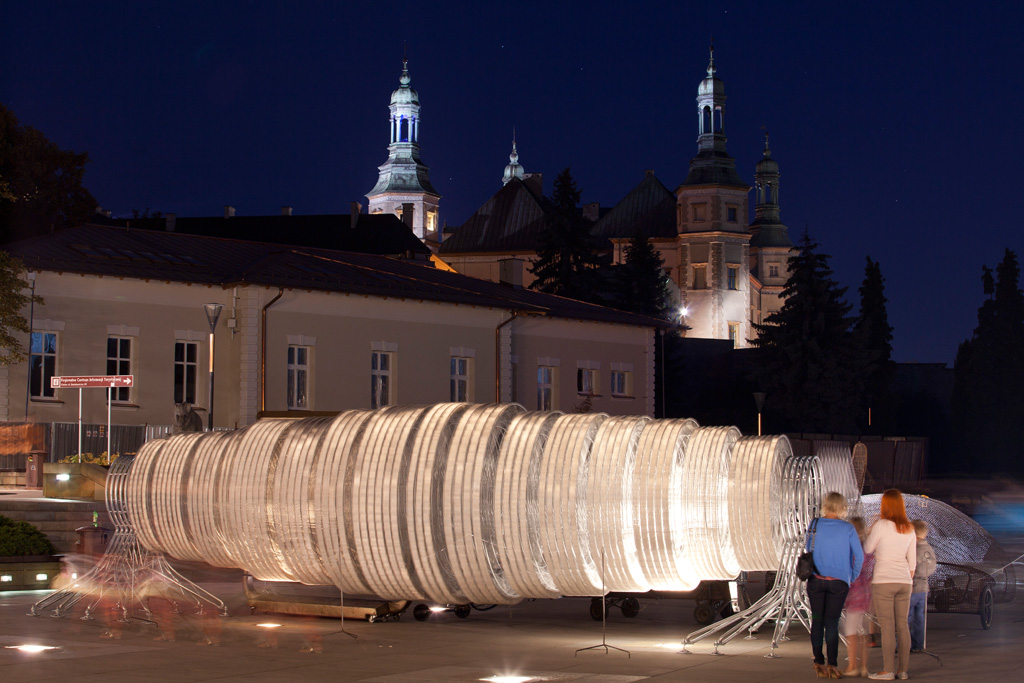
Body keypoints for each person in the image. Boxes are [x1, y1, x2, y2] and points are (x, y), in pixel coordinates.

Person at [806, 491, 864, 679]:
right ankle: (833, 664)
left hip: (816, 580)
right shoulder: (848, 528)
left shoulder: (814, 524)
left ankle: (818, 661)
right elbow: (859, 556)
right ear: (841, 507)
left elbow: (808, 549)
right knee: (832, 622)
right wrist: (851, 576)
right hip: (838, 583)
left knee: (817, 621)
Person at [864, 489, 916, 681]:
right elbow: (912, 563)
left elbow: (868, 549)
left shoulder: (881, 525)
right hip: (904, 581)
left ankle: (888, 670)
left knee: (887, 626)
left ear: (884, 505)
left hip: (884, 580)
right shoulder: (909, 528)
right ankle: (903, 670)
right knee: (903, 625)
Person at [841, 516, 875, 677]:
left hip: (854, 594)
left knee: (851, 631)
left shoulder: (852, 551)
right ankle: (864, 666)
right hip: (864, 593)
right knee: (862, 632)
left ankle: (852, 665)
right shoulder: (866, 550)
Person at [908, 519, 936, 652]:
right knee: (920, 617)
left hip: (913, 587)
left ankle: (903, 644)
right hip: (924, 588)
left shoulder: (913, 549)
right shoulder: (929, 549)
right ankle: (918, 644)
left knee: (906, 617)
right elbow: (932, 567)